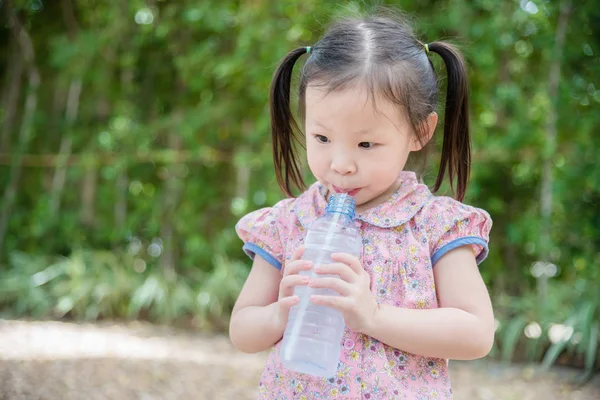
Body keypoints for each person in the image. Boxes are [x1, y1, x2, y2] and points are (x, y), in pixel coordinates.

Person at [229, 9, 494, 400]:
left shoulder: (433, 225)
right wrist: (279, 314)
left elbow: (476, 333)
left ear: (420, 132)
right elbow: (242, 330)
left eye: (366, 144)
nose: (340, 164)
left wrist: (373, 316)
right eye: (321, 137)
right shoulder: (290, 222)